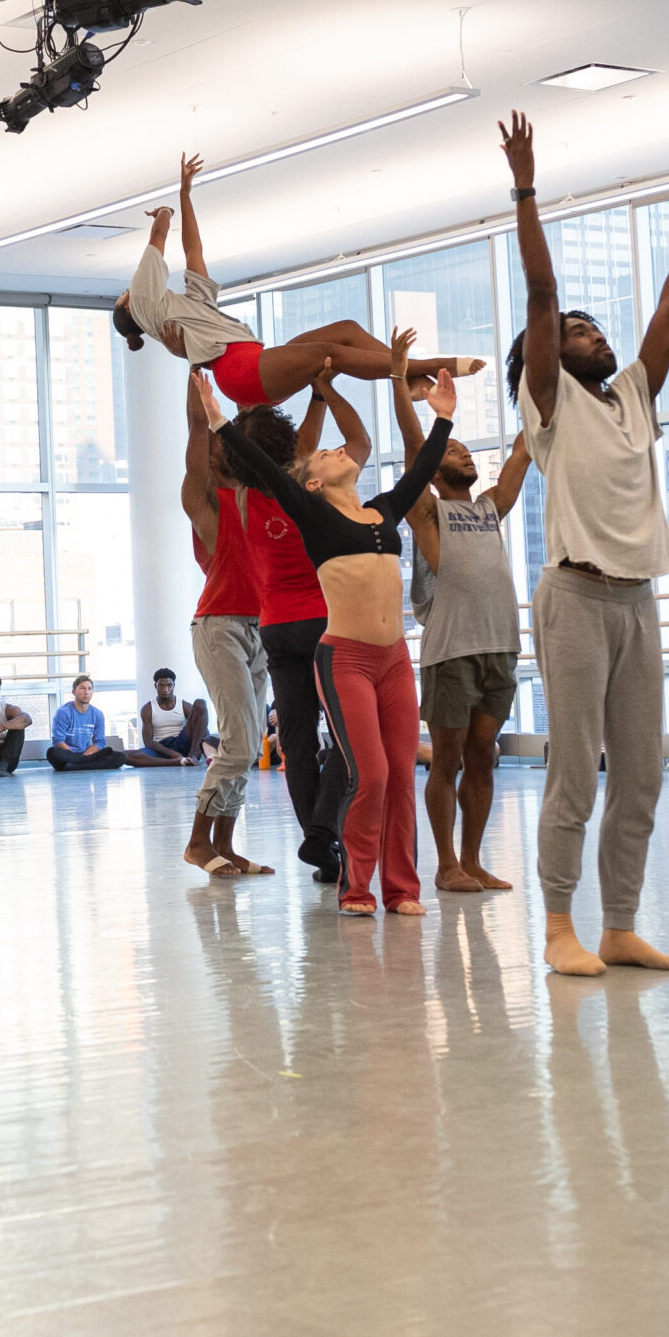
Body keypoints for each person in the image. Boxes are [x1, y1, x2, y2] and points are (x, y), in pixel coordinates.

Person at [501, 111, 669, 977]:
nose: (592, 332)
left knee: (640, 775)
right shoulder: (549, 401)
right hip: (573, 596)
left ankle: (620, 924)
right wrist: (526, 191)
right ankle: (560, 924)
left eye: (596, 326)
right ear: (544, 353)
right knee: (574, 773)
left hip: (638, 597)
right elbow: (539, 293)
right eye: (577, 329)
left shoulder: (631, 393)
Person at [220, 343, 454, 916]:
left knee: (395, 771)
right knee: (366, 770)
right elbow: (278, 465)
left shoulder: (379, 510)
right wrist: (220, 422)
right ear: (314, 484)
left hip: (390, 655)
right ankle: (352, 880)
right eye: (323, 454)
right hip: (338, 649)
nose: (332, 451)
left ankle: (399, 887)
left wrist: (443, 418)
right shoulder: (312, 512)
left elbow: (420, 469)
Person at [114, 153, 479, 408]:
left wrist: (185, 195)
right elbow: (157, 239)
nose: (127, 288)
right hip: (241, 373)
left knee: (346, 330)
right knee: (329, 355)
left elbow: (194, 251)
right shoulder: (145, 303)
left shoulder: (188, 308)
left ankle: (411, 381)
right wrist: (164, 211)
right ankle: (426, 366)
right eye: (123, 293)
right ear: (124, 304)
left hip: (254, 360)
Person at [392, 366, 531, 892]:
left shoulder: (489, 508)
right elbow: (412, 449)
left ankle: (472, 859)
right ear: (434, 470)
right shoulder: (427, 512)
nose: (466, 456)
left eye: (469, 452)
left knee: (484, 756)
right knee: (446, 760)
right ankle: (446, 863)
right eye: (455, 453)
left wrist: (542, 381)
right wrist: (403, 388)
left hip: (500, 647)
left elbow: (521, 453)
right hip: (451, 652)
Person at [221, 383, 357, 879]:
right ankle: (324, 829)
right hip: (324, 620)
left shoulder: (240, 497)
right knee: (346, 738)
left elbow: (259, 452)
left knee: (297, 741)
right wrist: (320, 396)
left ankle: (320, 850)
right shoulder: (302, 485)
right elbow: (305, 440)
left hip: (275, 626)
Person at [179, 368, 274, 879]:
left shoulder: (258, 501)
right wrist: (194, 376)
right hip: (219, 625)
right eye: (216, 451)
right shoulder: (208, 507)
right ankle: (198, 841)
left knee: (250, 736)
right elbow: (197, 435)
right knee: (238, 738)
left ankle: (226, 844)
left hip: (261, 629)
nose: (219, 455)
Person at [132, 669, 210, 765]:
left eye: (169, 685)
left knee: (200, 703)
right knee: (131, 755)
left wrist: (200, 750)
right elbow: (148, 742)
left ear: (174, 686)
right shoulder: (147, 709)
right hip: (161, 748)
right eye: (161, 686)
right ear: (155, 686)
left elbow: (201, 728)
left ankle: (191, 757)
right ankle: (177, 761)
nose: (165, 690)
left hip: (183, 742)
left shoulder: (184, 705)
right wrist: (172, 753)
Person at [47, 676, 125, 770]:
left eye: (89, 689)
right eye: (82, 688)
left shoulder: (97, 714)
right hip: (67, 754)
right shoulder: (63, 712)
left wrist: (87, 754)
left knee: (120, 757)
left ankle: (74, 766)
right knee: (52, 753)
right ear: (74, 692)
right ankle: (83, 764)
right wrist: (74, 756)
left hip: (86, 753)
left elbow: (100, 741)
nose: (86, 692)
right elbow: (58, 741)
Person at [0, 676, 30, 776]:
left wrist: (2, 726)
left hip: (7, 760)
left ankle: (3, 766)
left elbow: (27, 719)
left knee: (19, 725)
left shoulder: (8, 709)